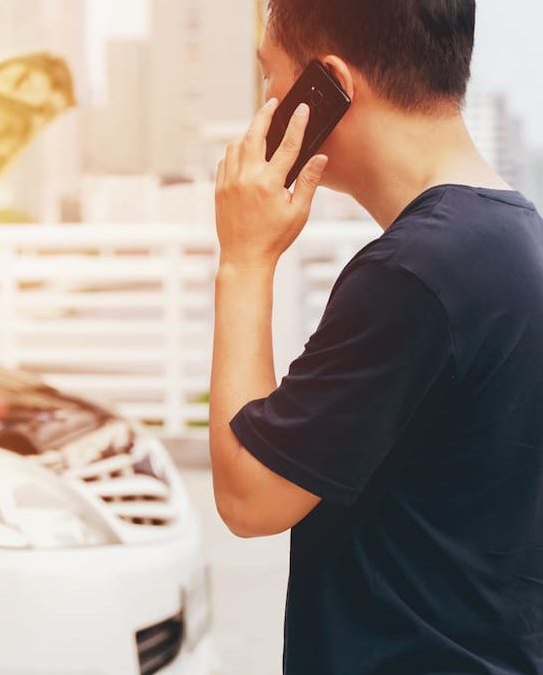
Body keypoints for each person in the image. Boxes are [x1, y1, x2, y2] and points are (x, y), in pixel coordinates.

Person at [209, 1, 543, 673]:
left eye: (270, 78)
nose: (265, 106)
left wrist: (244, 259)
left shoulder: (414, 273)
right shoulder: (514, 232)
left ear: (326, 86)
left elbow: (249, 496)